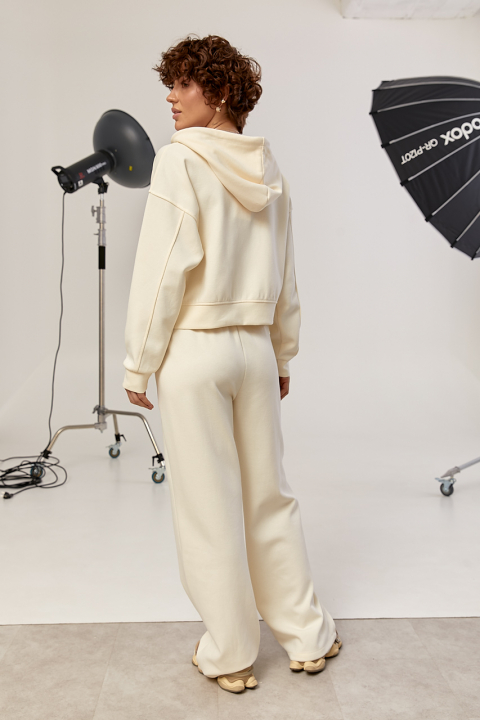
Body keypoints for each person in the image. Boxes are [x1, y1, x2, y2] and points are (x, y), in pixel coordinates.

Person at [122, 33, 342, 694]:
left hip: (195, 350)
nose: (171, 96)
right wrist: (281, 351)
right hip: (254, 349)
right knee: (270, 495)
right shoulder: (270, 170)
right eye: (171, 84)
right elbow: (286, 274)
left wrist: (139, 363)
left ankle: (231, 653)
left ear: (218, 92)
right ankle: (308, 636)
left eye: (184, 84)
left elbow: (161, 271)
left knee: (208, 507)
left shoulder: (179, 161)